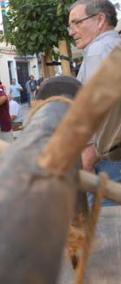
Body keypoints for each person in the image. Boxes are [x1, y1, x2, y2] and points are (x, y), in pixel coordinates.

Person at [69, 0, 121, 205]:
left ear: (100, 20)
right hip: (110, 157)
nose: (71, 31)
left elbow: (103, 110)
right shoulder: (112, 46)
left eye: (77, 23)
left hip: (108, 160)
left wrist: (90, 153)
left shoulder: (99, 50)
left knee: (105, 224)